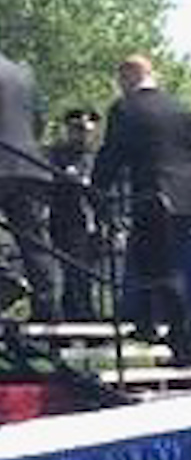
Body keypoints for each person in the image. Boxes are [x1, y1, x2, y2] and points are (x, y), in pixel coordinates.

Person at [94, 54, 191, 363]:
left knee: (165, 269)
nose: (119, 87)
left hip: (155, 196)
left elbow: (112, 153)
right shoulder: (183, 109)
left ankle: (185, 346)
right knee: (144, 256)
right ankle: (144, 322)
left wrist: (97, 187)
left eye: (120, 79)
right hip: (189, 197)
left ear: (130, 75)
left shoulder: (125, 108)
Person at [0, 52, 59, 317]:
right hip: (29, 165)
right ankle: (48, 310)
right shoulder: (24, 74)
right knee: (35, 242)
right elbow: (38, 122)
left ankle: (7, 278)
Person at [47, 108, 101, 321]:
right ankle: (80, 317)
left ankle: (81, 316)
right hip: (66, 220)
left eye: (87, 130)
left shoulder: (97, 156)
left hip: (93, 222)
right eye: (77, 129)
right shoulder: (57, 154)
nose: (82, 135)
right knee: (73, 273)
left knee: (85, 275)